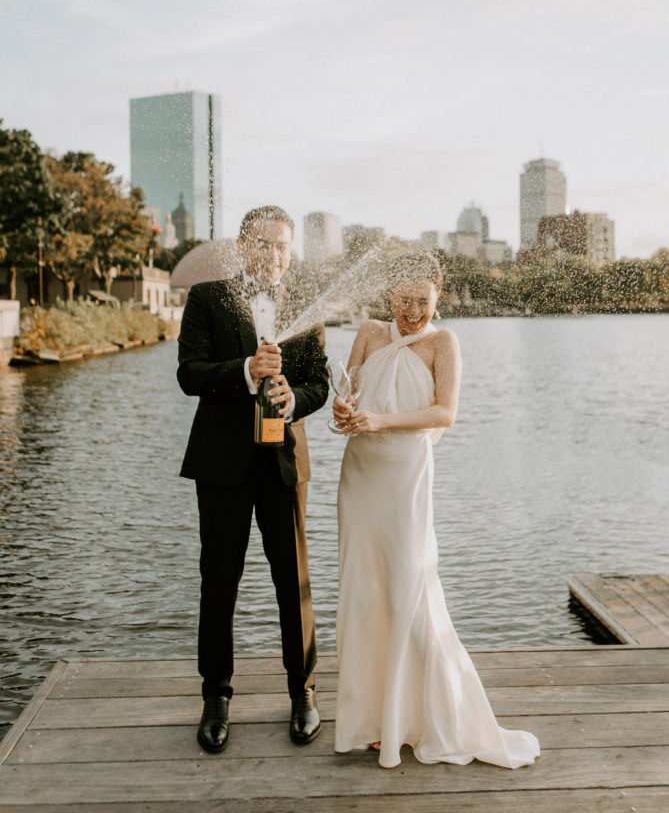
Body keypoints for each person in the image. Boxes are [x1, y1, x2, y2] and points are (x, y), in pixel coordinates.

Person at [332, 251, 540, 770]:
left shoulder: (443, 342)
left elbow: (445, 411)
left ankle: (415, 716)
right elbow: (349, 390)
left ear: (436, 299)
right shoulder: (368, 332)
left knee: (407, 590)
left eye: (422, 301)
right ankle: (375, 720)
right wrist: (343, 409)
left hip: (405, 477)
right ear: (389, 297)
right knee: (364, 592)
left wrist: (379, 421)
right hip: (360, 476)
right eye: (403, 299)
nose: (412, 311)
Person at [177, 205, 328, 753]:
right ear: (242, 246)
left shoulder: (307, 308)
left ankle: (303, 693)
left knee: (295, 585)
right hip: (221, 466)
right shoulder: (207, 297)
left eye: (282, 245)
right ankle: (215, 697)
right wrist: (246, 371)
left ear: (291, 251)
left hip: (284, 466)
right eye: (262, 243)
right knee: (219, 583)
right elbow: (189, 374)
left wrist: (293, 401)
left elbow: (321, 384)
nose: (272, 255)